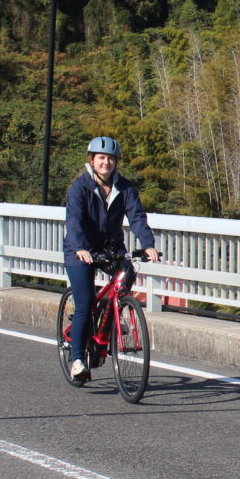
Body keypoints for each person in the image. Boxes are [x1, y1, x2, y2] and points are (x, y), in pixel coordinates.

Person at [63, 136, 160, 380]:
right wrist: (80, 247)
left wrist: (148, 245)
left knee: (127, 271)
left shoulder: (125, 187)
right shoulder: (80, 188)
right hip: (80, 249)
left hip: (110, 247)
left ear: (116, 162)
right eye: (101, 158)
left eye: (110, 159)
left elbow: (137, 217)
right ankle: (77, 360)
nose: (106, 163)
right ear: (92, 160)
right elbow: (74, 220)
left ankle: (112, 313)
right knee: (84, 305)